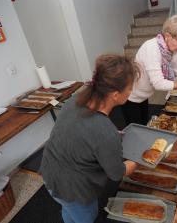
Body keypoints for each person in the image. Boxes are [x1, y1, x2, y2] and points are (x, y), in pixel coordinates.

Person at [40, 54, 139, 223]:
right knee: (85, 217)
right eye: (130, 88)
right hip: (72, 189)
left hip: (49, 173)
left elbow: (83, 134)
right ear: (115, 94)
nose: (132, 91)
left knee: (68, 210)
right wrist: (139, 160)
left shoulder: (74, 101)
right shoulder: (105, 132)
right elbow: (116, 173)